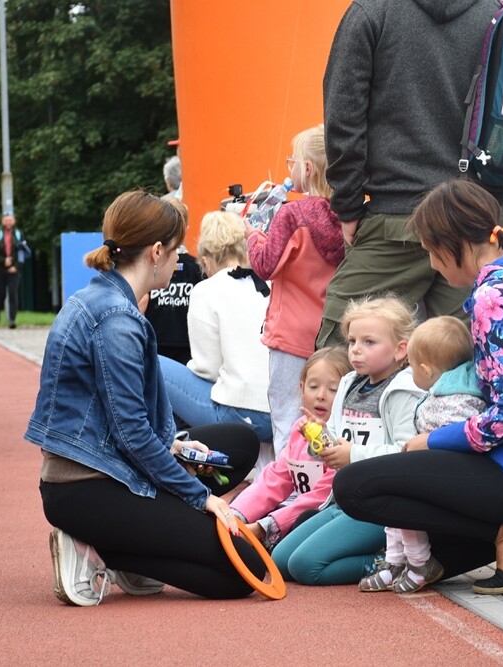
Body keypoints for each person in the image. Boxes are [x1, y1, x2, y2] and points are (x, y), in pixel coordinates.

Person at [334, 179, 503, 596]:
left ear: (451, 242)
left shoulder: (491, 298)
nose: (433, 265)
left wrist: (434, 439)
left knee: (355, 486)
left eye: (429, 251)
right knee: (430, 530)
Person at [25, 190, 265, 604]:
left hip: (107, 467)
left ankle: (132, 547)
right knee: (245, 572)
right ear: (156, 251)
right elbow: (132, 434)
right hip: (91, 488)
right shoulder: (117, 320)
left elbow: (119, 423)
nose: (180, 259)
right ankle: (107, 553)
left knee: (238, 443)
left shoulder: (99, 298)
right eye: (176, 251)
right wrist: (201, 498)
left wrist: (171, 446)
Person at [317, 0, 503, 349]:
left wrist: (348, 204)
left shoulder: (372, 11)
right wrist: (502, 204)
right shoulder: (498, 16)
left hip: (394, 217)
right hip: (472, 221)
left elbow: (342, 114)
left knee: (343, 355)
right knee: (466, 363)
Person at [271, 296, 422, 585]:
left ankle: (390, 561)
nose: (356, 350)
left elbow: (408, 455)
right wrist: (319, 438)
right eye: (352, 341)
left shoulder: (403, 390)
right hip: (343, 500)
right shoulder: (348, 383)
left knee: (305, 567)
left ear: (401, 349)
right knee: (280, 560)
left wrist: (354, 455)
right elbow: (333, 450)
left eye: (369, 342)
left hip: (381, 507)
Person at [360, 316, 486, 594]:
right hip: (435, 469)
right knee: (393, 493)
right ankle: (395, 561)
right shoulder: (445, 392)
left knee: (404, 498)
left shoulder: (455, 400)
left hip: (448, 477)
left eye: (413, 367)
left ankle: (419, 562)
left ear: (426, 371)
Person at [245, 124, 345, 459]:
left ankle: (287, 495)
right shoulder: (351, 217)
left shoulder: (292, 214)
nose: (289, 168)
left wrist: (252, 234)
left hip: (290, 336)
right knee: (327, 418)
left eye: (293, 161)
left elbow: (265, 265)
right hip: (332, 333)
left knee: (289, 420)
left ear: (307, 168)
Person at [158, 211, 272, 444]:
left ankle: (162, 445)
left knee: (152, 362)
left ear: (207, 259)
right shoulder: (269, 283)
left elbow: (207, 369)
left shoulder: (206, 290)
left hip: (239, 415)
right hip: (280, 412)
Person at [229, 347, 351, 551]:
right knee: (240, 503)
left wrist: (265, 526)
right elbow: (278, 477)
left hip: (321, 511)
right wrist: (237, 513)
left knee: (303, 520)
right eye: (313, 387)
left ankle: (266, 536)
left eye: (333, 390)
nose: (321, 396)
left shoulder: (342, 435)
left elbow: (324, 494)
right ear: (302, 388)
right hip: (293, 503)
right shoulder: (299, 427)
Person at [142, 199, 204, 365]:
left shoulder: (148, 264)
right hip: (189, 348)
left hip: (155, 344)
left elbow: (140, 303)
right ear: (187, 229)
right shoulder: (199, 267)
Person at [0, 214, 23, 329]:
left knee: (12, 293)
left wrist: (16, 267)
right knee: (1, 293)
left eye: (10, 220)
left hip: (13, 270)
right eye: (6, 220)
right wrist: (3, 261)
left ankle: (12, 320)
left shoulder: (18, 235)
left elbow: (22, 252)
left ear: (14, 221)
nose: (8, 222)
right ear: (2, 221)